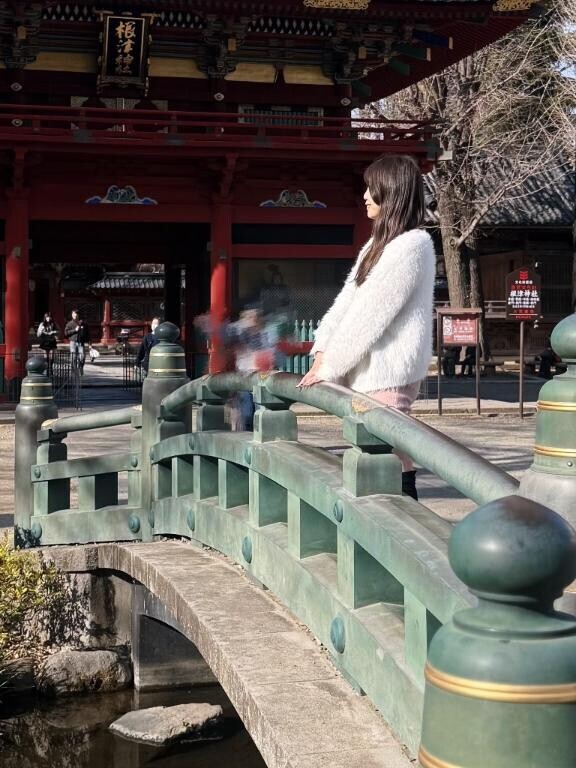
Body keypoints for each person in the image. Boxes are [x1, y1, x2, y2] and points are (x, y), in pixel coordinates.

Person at [298, 154, 436, 501]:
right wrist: (322, 351)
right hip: (367, 372)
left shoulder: (413, 245)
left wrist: (329, 368)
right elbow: (346, 304)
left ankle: (405, 522)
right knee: (381, 453)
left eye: (370, 188)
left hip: (389, 371)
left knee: (386, 452)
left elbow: (370, 314)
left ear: (390, 192)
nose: (364, 196)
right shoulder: (375, 248)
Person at [64, 309, 90, 374]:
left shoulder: (83, 323)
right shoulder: (69, 324)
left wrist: (90, 344)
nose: (75, 315)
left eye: (76, 314)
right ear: (72, 315)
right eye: (73, 314)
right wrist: (74, 330)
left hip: (81, 342)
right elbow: (66, 333)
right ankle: (74, 370)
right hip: (73, 342)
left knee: (82, 356)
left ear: (78, 315)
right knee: (73, 357)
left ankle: (81, 367)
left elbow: (88, 334)